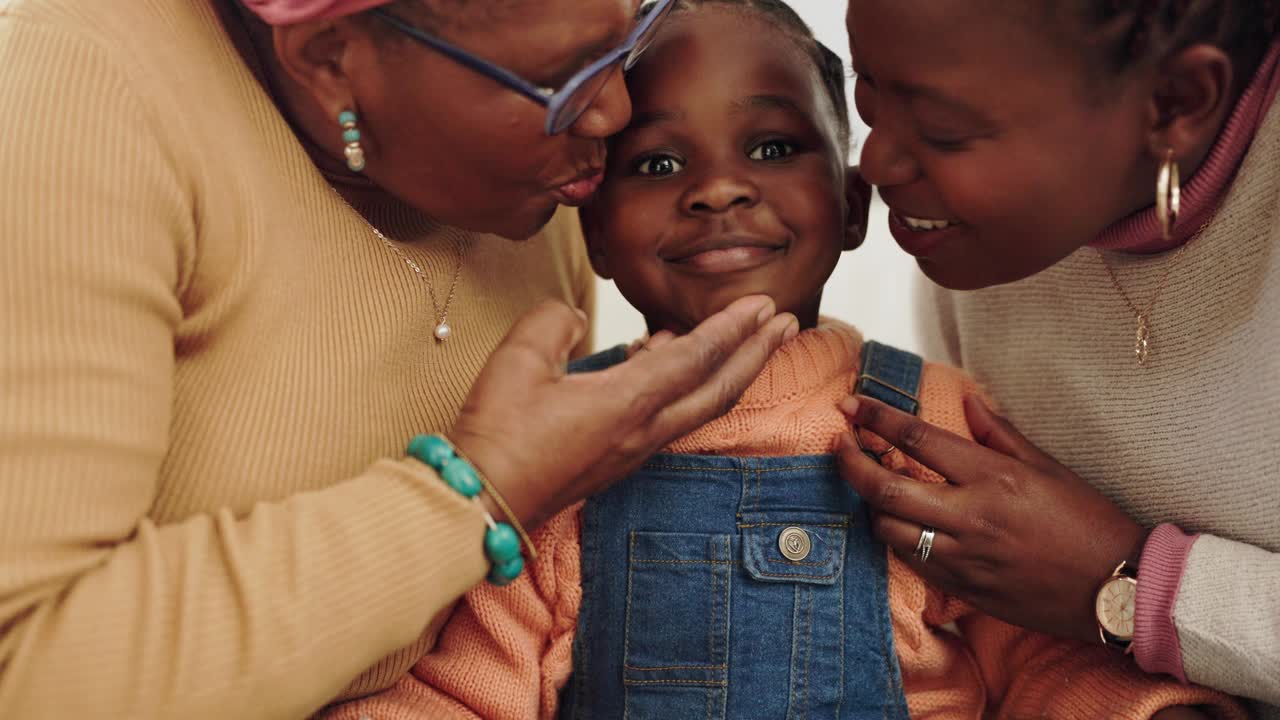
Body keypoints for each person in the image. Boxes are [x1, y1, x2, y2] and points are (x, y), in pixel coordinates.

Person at [321, 2, 1242, 718]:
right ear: (591, 229)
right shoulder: (567, 446)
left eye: (772, 147)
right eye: (654, 164)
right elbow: (469, 683)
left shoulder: (937, 425)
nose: (718, 188)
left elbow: (1042, 657)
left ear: (851, 205)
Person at [0, 0, 811, 717]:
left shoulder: (546, 184)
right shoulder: (68, 93)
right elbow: (22, 668)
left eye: (628, 36)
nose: (614, 111)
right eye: (561, 79)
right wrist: (475, 494)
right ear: (329, 59)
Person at [836, 1, 1280, 717]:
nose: (877, 159)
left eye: (944, 130)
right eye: (869, 89)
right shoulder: (976, 243)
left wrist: (1133, 588)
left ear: (1176, 103)